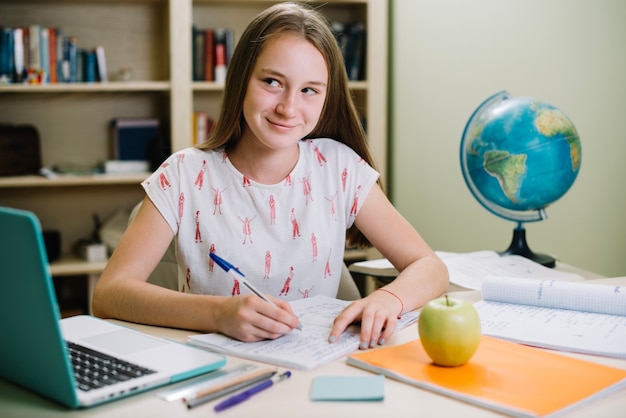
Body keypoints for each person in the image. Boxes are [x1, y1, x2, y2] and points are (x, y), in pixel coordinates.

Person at [92, 2, 448, 350]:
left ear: (327, 97)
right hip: (213, 373)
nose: (288, 107)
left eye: (309, 90)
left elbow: (429, 266)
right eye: (272, 82)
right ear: (241, 79)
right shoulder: (184, 174)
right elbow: (109, 294)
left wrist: (389, 299)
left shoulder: (340, 169)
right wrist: (219, 314)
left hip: (314, 370)